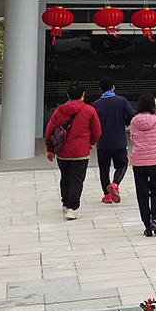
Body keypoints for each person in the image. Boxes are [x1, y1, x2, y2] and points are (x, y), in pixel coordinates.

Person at [44, 83, 102, 220]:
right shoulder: (89, 110)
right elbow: (97, 131)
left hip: (62, 152)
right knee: (77, 179)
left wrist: (49, 150)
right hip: (81, 152)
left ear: (68, 95)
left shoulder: (59, 110)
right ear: (83, 95)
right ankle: (72, 208)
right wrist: (91, 143)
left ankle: (65, 203)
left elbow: (49, 131)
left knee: (65, 177)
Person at [131, 93, 156, 237]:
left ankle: (146, 225)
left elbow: (133, 138)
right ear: (153, 106)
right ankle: (155, 218)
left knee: (142, 194)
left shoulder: (134, 121)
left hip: (139, 160)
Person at [92, 77, 136, 204]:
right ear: (113, 87)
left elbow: (93, 123)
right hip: (118, 140)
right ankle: (115, 184)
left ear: (100, 89)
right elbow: (132, 115)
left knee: (103, 168)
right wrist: (124, 123)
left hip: (102, 142)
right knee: (122, 164)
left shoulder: (96, 104)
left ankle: (107, 195)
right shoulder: (121, 101)